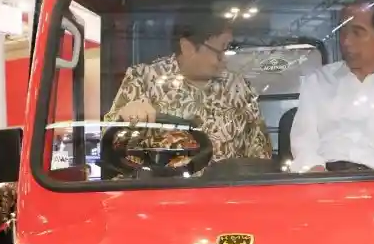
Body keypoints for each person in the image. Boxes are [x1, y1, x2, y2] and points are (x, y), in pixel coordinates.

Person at [104, 13, 272, 163]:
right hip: (163, 184)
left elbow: (260, 151)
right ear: (187, 47)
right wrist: (126, 117)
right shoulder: (143, 79)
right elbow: (108, 141)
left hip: (226, 185)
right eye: (220, 50)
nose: (224, 59)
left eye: (227, 49)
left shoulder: (238, 87)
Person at [290, 0, 374, 172]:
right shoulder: (317, 81)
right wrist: (317, 173)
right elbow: (303, 143)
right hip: (326, 178)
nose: (346, 41)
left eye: (357, 32)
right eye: (343, 32)